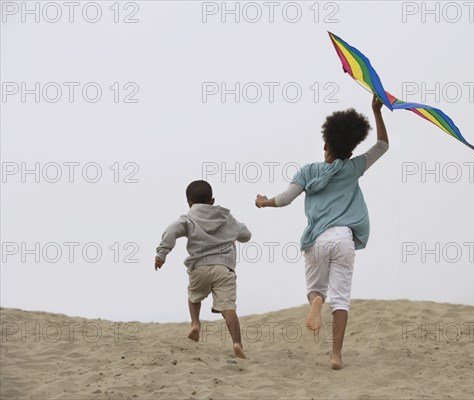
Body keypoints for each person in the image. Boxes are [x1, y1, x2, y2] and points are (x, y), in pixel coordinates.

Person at [255, 95, 389, 369]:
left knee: (316, 290)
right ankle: (336, 355)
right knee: (341, 299)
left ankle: (316, 301)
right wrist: (377, 111)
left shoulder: (308, 172)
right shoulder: (353, 167)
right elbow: (383, 145)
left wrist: (264, 201)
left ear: (325, 144)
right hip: (344, 239)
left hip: (316, 240)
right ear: (350, 151)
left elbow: (284, 199)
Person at [155, 180, 251, 359]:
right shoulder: (226, 218)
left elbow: (171, 231)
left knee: (194, 297)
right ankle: (237, 343)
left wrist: (162, 253)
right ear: (212, 200)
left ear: (189, 203)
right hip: (224, 268)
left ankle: (195, 324)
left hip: (199, 268)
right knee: (228, 307)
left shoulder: (188, 219)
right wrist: (234, 235)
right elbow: (246, 234)